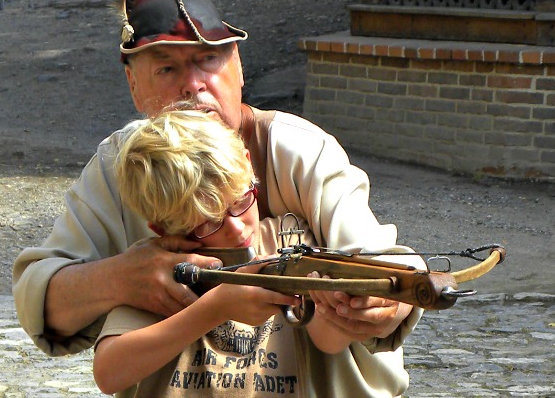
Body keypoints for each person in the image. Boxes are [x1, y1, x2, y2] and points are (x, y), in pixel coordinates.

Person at [12, 0, 424, 391]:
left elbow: (381, 269)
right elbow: (43, 301)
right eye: (167, 67)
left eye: (207, 60)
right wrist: (122, 279)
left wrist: (375, 303)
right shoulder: (121, 167)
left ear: (238, 66)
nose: (192, 84)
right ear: (134, 85)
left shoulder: (297, 149)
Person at [93, 109, 418, 397]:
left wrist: (339, 305)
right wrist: (215, 307)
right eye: (209, 224)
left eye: (240, 202)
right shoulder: (157, 267)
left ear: (248, 165)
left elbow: (329, 342)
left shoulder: (291, 240)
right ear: (162, 229)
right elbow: (109, 373)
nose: (235, 228)